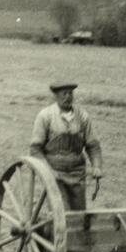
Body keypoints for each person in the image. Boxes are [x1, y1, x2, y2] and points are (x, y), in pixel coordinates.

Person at [30, 81, 103, 211]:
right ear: (56, 96)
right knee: (62, 215)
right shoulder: (45, 116)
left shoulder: (82, 116)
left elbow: (93, 145)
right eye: (64, 93)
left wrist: (96, 166)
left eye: (70, 93)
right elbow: (36, 149)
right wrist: (48, 171)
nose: (68, 97)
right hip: (55, 173)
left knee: (79, 216)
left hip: (77, 173)